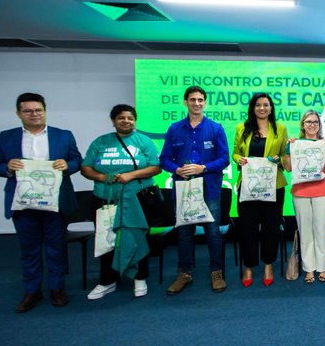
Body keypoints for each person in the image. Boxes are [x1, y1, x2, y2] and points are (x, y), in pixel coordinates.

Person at [0, 92, 82, 313]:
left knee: (56, 248)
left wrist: (67, 165)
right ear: (18, 113)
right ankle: (32, 291)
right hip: (23, 204)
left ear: (45, 111)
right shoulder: (7, 137)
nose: (34, 114)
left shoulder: (63, 135)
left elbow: (77, 160)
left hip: (55, 202)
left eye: (38, 110)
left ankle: (57, 289)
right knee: (28, 250)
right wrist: (7, 167)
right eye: (28, 110)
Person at [81, 104, 162, 299]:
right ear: (113, 121)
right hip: (105, 199)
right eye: (121, 118)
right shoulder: (101, 142)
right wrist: (102, 178)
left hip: (136, 199)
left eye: (130, 118)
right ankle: (107, 281)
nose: (126, 121)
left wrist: (131, 175)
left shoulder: (143, 141)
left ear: (135, 121)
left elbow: (155, 168)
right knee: (106, 240)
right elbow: (86, 168)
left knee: (137, 237)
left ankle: (140, 277)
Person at [160, 86, 230, 294]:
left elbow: (225, 159)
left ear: (205, 103)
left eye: (200, 100)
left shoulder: (216, 128)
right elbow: (164, 159)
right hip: (184, 188)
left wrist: (204, 168)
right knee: (184, 233)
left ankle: (216, 272)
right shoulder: (174, 129)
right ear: (185, 102)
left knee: (213, 232)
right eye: (192, 100)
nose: (197, 103)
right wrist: (177, 169)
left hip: (209, 188)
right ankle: (184, 273)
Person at [234, 92, 289, 287]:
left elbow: (284, 156)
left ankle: (268, 265)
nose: (262, 108)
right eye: (258, 105)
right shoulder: (241, 128)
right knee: (247, 228)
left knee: (271, 228)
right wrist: (237, 159)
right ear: (253, 108)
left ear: (271, 108)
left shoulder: (280, 129)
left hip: (273, 187)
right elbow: (235, 152)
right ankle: (249, 266)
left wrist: (279, 160)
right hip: (248, 187)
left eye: (266, 105)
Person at [282, 110, 325, 283]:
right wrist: (287, 150)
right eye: (308, 122)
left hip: (323, 191)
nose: (312, 125)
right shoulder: (295, 143)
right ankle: (308, 269)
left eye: (315, 122)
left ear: (319, 125)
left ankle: (322, 268)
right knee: (305, 231)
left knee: (321, 230)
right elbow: (288, 168)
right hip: (300, 192)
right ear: (303, 125)